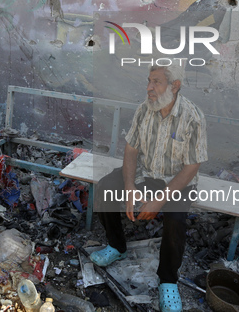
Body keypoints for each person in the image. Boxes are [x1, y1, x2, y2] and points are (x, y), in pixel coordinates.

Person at [91, 64, 207, 312]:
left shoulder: (192, 117)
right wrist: (130, 185)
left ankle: (168, 280)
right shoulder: (145, 109)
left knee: (175, 218)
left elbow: (191, 167)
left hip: (177, 180)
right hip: (146, 172)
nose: (149, 88)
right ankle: (117, 246)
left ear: (175, 86)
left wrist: (159, 200)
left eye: (156, 82)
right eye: (149, 81)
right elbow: (131, 149)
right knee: (105, 188)